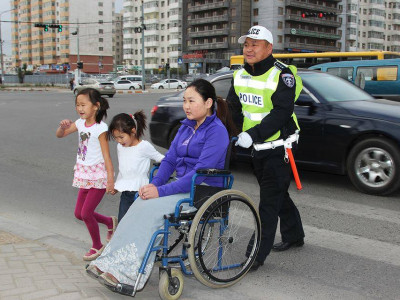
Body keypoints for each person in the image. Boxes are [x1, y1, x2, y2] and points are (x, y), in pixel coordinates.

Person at [86, 79, 236, 291]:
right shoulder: (185, 128)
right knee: (139, 203)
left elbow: (198, 174)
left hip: (202, 191)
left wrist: (161, 191)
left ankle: (128, 273)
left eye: (192, 101)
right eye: (184, 100)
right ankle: (108, 263)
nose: (186, 106)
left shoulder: (217, 132)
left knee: (149, 210)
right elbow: (169, 161)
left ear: (208, 102)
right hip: (182, 186)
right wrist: (154, 185)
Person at [226, 25, 305, 271]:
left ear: (269, 48)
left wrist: (252, 134)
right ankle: (294, 235)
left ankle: (255, 256)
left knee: (268, 202)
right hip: (255, 147)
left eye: (254, 44)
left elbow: (282, 113)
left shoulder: (283, 75)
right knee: (278, 193)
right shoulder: (239, 74)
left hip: (279, 147)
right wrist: (236, 134)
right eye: (246, 44)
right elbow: (233, 108)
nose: (248, 49)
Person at [56, 88, 118, 261]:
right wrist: (62, 127)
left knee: (86, 213)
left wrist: (110, 180)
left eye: (83, 105)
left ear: (96, 106)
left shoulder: (101, 128)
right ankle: (109, 222)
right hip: (84, 174)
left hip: (98, 176)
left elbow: (107, 156)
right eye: (77, 105)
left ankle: (97, 246)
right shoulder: (80, 123)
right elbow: (60, 135)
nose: (80, 108)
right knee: (79, 214)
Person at [108, 111, 164, 222]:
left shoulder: (144, 146)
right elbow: (123, 169)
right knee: (123, 223)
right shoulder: (120, 147)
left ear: (133, 131)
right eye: (116, 138)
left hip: (141, 193)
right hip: (126, 194)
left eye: (121, 137)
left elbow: (162, 159)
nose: (119, 141)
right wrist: (117, 185)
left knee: (139, 223)